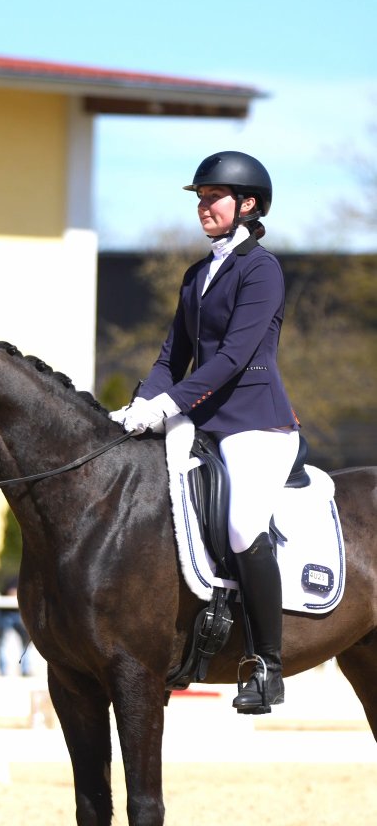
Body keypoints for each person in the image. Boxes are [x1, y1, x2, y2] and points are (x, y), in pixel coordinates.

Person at [110, 150, 300, 714]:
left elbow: (235, 357)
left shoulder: (260, 269)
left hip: (255, 422)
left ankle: (267, 664)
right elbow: (175, 356)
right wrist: (140, 405)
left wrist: (169, 404)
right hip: (201, 419)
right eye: (198, 199)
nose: (203, 208)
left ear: (247, 206)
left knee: (243, 523)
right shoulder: (198, 274)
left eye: (212, 198)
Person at [0, 575, 33, 676]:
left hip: (16, 614)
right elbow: (12, 593)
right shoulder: (16, 580)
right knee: (3, 643)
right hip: (7, 614)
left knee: (25, 642)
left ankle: (24, 669)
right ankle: (4, 670)